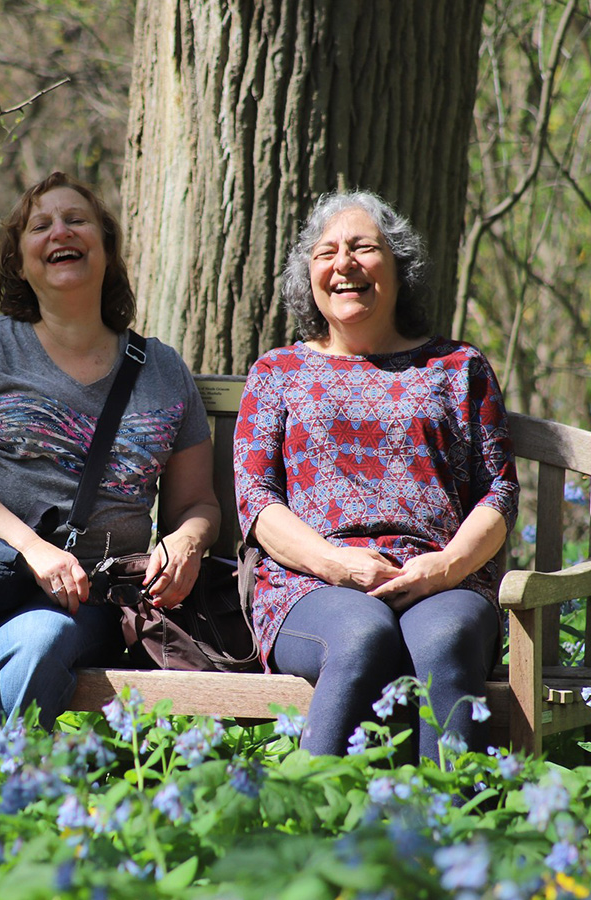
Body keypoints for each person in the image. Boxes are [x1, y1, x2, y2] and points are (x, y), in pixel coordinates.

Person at [0, 171, 220, 750]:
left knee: (38, 641)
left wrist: (188, 539)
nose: (59, 231)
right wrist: (34, 551)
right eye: (40, 225)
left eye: (76, 220)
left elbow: (197, 502)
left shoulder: (163, 370)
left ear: (107, 248)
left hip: (83, 595)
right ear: (19, 262)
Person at [233, 190, 519, 759]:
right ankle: (314, 830)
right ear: (308, 275)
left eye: (364, 248)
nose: (344, 265)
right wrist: (338, 564)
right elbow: (256, 500)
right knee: (363, 634)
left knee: (445, 639)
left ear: (398, 267)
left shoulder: (457, 366)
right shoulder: (278, 371)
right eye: (326, 253)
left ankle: (452, 833)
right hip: (310, 584)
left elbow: (499, 490)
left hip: (441, 577)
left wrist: (445, 567)